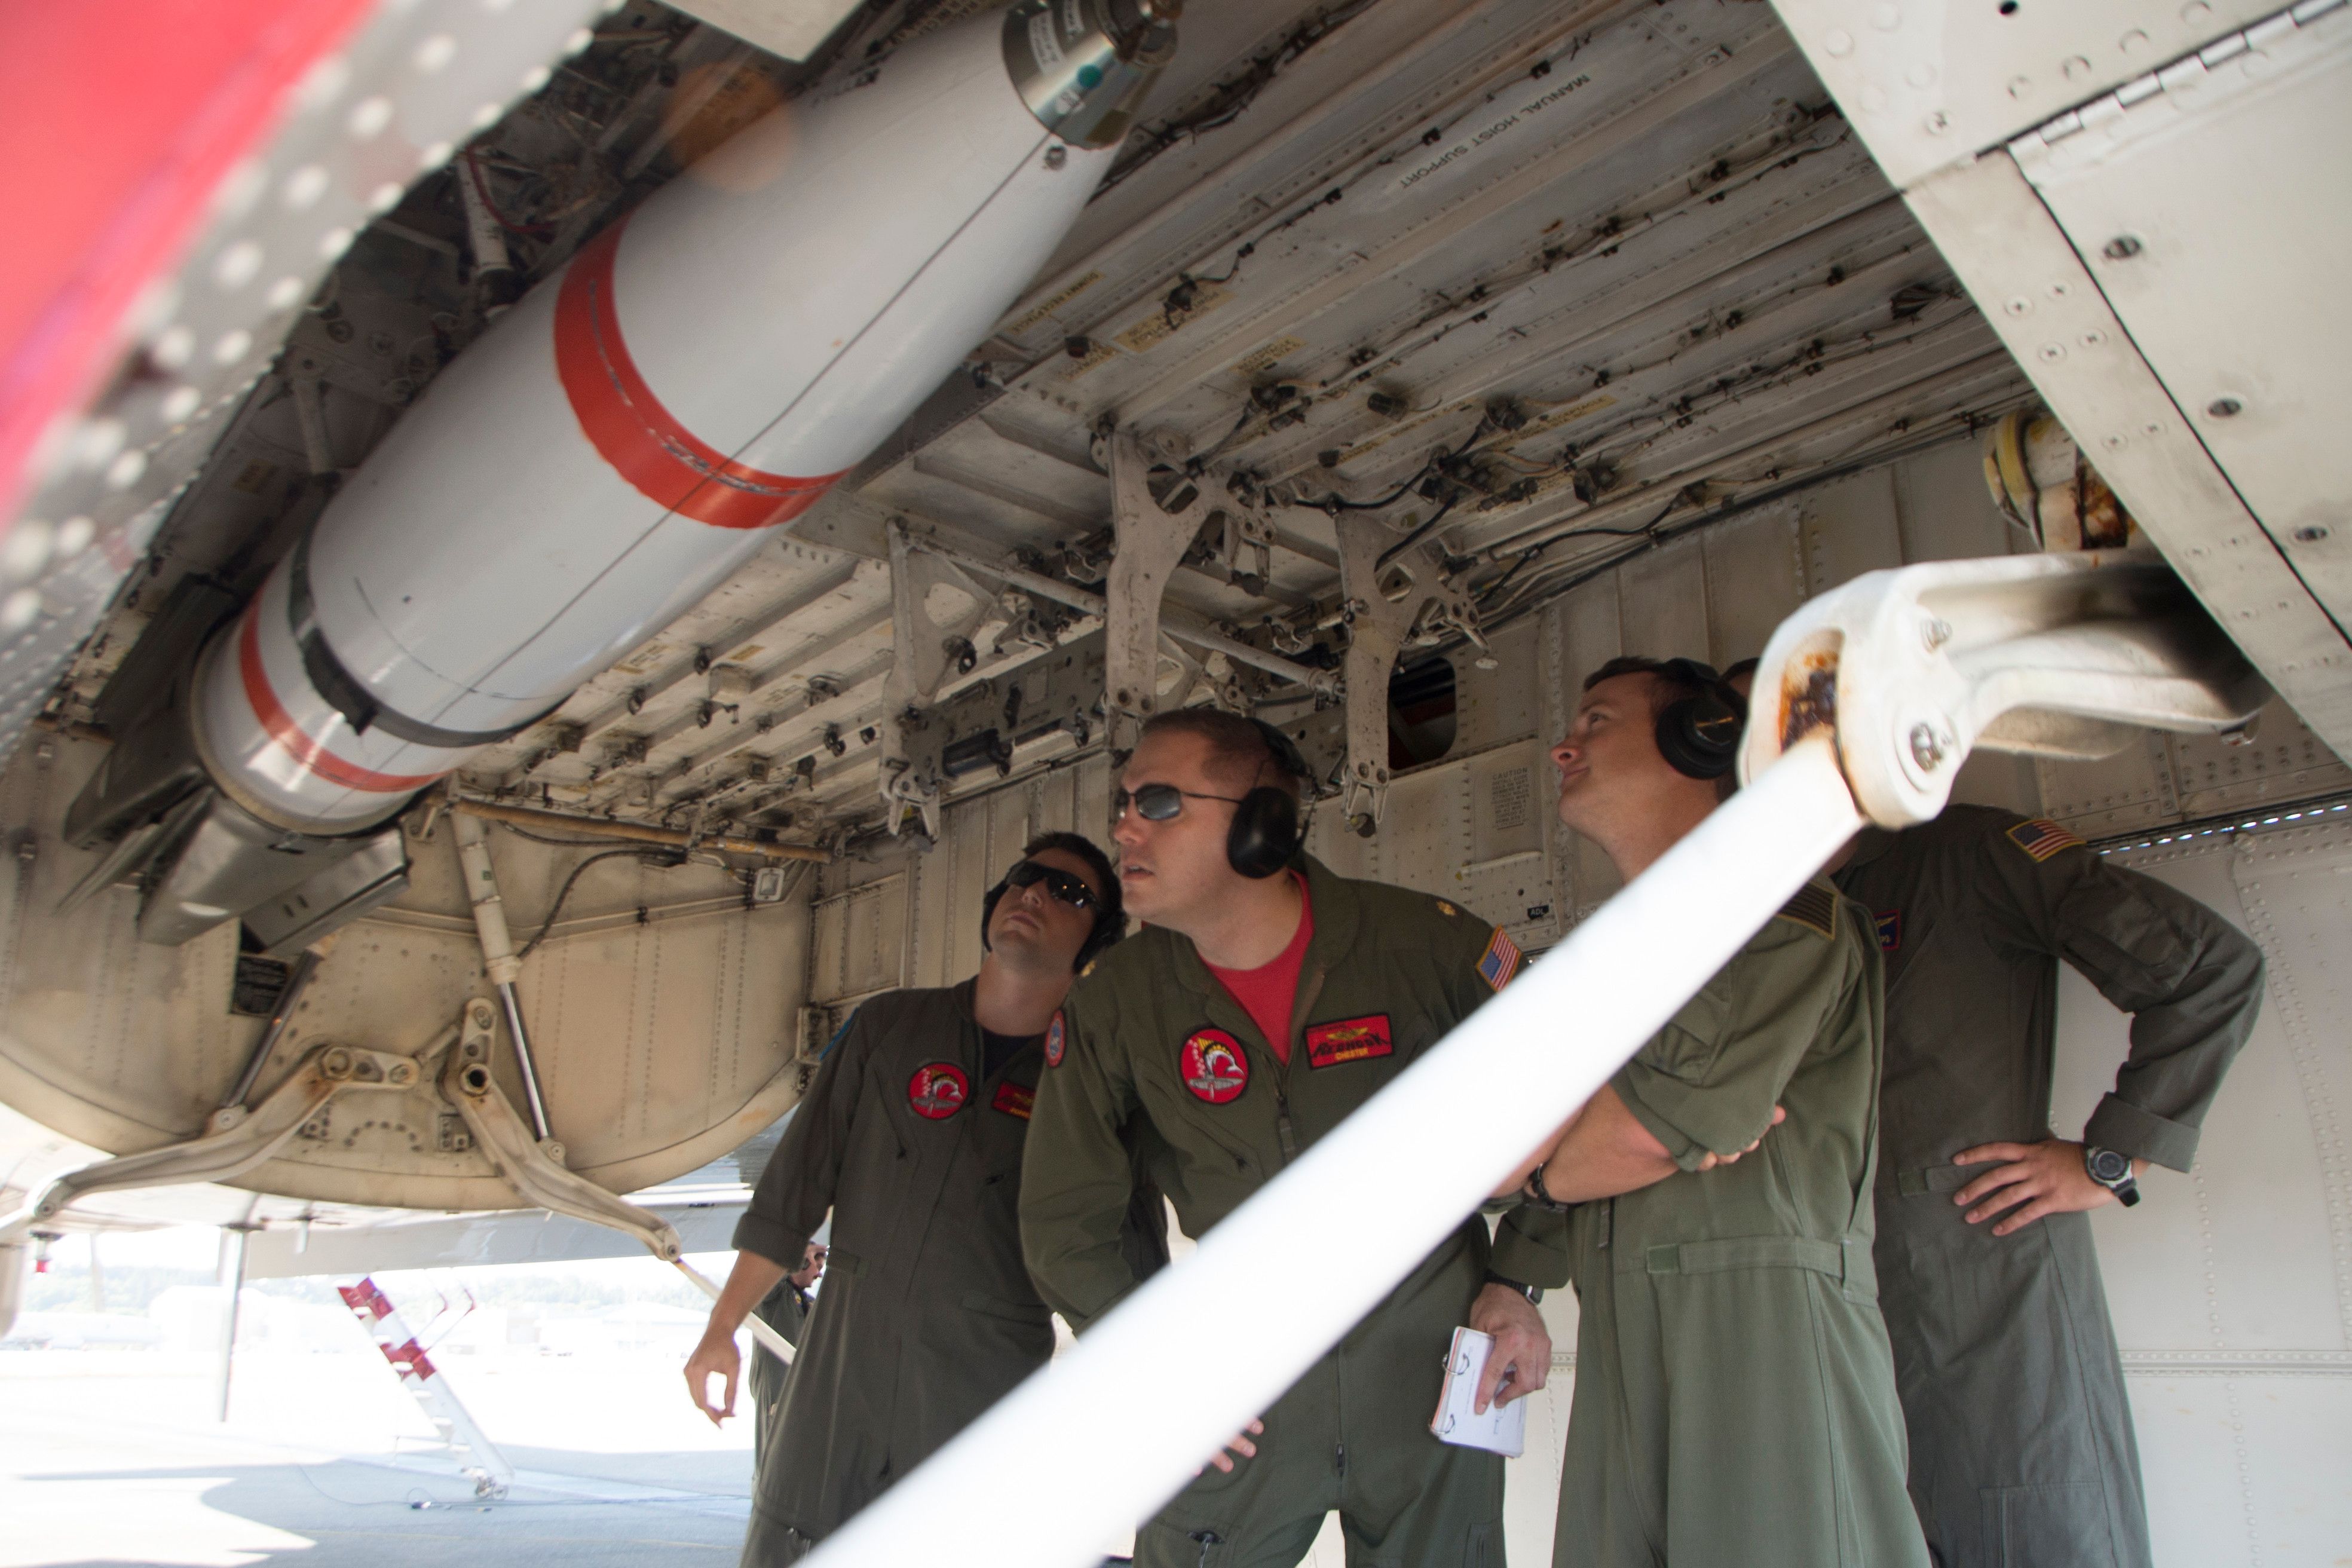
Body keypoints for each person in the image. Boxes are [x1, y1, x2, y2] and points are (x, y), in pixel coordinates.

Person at [1021, 708, 1558, 1568]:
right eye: (1121, 803)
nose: (1123, 826)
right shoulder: (1114, 1002)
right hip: (1237, 1395)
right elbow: (1063, 1217)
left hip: (1426, 1373)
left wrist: (1524, 1276)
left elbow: (1567, 1083)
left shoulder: (1424, 944)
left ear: (1261, 826)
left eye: (1158, 803)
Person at [1506, 656, 1927, 1568]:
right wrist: (1556, 1156)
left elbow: (1630, 1134)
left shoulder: (1776, 911)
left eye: (1599, 720)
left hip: (1761, 1330)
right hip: (1626, 1320)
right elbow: (1538, 1134)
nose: (1563, 745)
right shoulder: (1611, 955)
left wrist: (1538, 1167)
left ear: (1699, 737)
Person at [685, 832, 1157, 1563]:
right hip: (836, 1388)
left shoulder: (1094, 1082)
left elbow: (1131, 1262)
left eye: (1069, 892)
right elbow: (794, 1189)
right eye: (1024, 877)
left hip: (980, 1401)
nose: (1033, 893)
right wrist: (722, 1325)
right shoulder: (888, 1028)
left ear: (1093, 943)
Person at [1833, 806, 2264, 1567]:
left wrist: (2114, 1157)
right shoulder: (1779, 899)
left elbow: (2208, 969)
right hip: (1848, 1292)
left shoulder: (1967, 853)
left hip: (1989, 1274)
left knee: (2040, 1523)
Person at [747, 1242, 825, 1472]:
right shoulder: (773, 1299)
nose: (819, 1273)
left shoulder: (808, 1304)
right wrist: (802, 1252)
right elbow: (767, 1271)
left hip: (802, 1400)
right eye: (815, 1264)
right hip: (778, 1400)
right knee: (775, 1466)